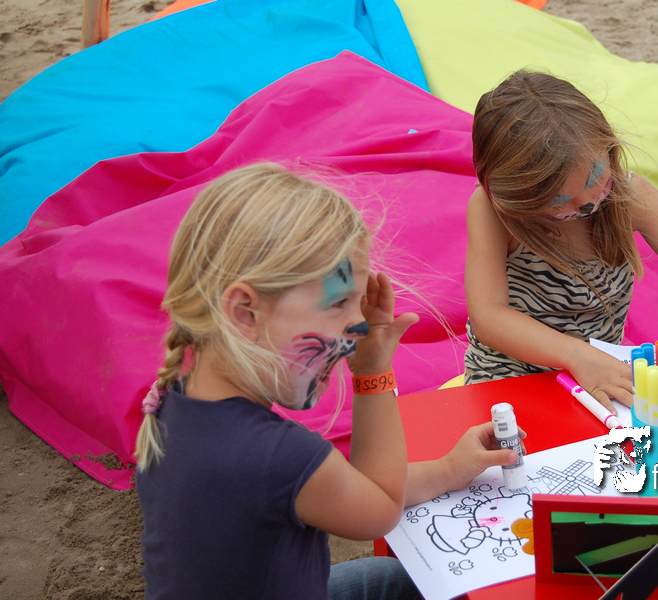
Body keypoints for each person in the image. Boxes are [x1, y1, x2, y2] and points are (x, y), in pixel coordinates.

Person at [134, 163, 523, 600]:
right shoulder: (279, 456)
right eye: (339, 304)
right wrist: (373, 373)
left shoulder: (170, 402)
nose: (360, 326)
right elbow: (380, 507)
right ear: (244, 312)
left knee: (393, 581)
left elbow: (353, 487)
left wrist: (451, 470)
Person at [464, 70, 658, 413]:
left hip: (602, 380)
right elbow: (488, 316)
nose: (588, 202)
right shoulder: (492, 212)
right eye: (559, 199)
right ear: (516, 197)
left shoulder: (630, 195)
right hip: (510, 379)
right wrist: (575, 356)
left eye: (595, 175)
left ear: (608, 146)